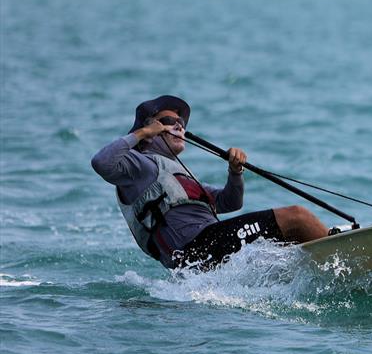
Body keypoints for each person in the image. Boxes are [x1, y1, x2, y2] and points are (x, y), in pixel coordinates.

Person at [91, 95, 329, 270]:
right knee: (297, 217)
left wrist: (235, 173)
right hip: (195, 249)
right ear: (151, 126)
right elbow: (101, 162)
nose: (179, 126)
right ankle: (343, 264)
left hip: (208, 246)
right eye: (168, 121)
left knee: (291, 242)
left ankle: (327, 259)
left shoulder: (178, 174)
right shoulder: (139, 164)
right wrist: (142, 134)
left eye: (182, 124)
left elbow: (230, 202)